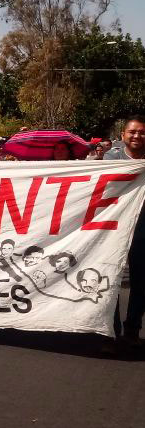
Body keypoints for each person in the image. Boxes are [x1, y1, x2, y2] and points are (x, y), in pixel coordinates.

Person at [106, 115, 145, 349]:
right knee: (110, 281)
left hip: (142, 230)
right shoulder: (110, 159)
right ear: (123, 136)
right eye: (132, 132)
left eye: (141, 132)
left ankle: (132, 330)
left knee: (141, 283)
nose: (137, 136)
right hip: (114, 228)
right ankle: (110, 333)